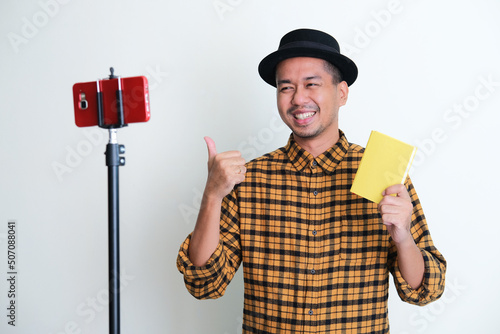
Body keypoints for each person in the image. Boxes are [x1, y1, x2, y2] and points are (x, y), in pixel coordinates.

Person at [177, 28, 446, 333]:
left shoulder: (385, 173)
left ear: (341, 93)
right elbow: (204, 283)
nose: (298, 99)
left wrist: (403, 239)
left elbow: (426, 289)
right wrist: (212, 196)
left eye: (311, 84)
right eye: (286, 88)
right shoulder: (248, 180)